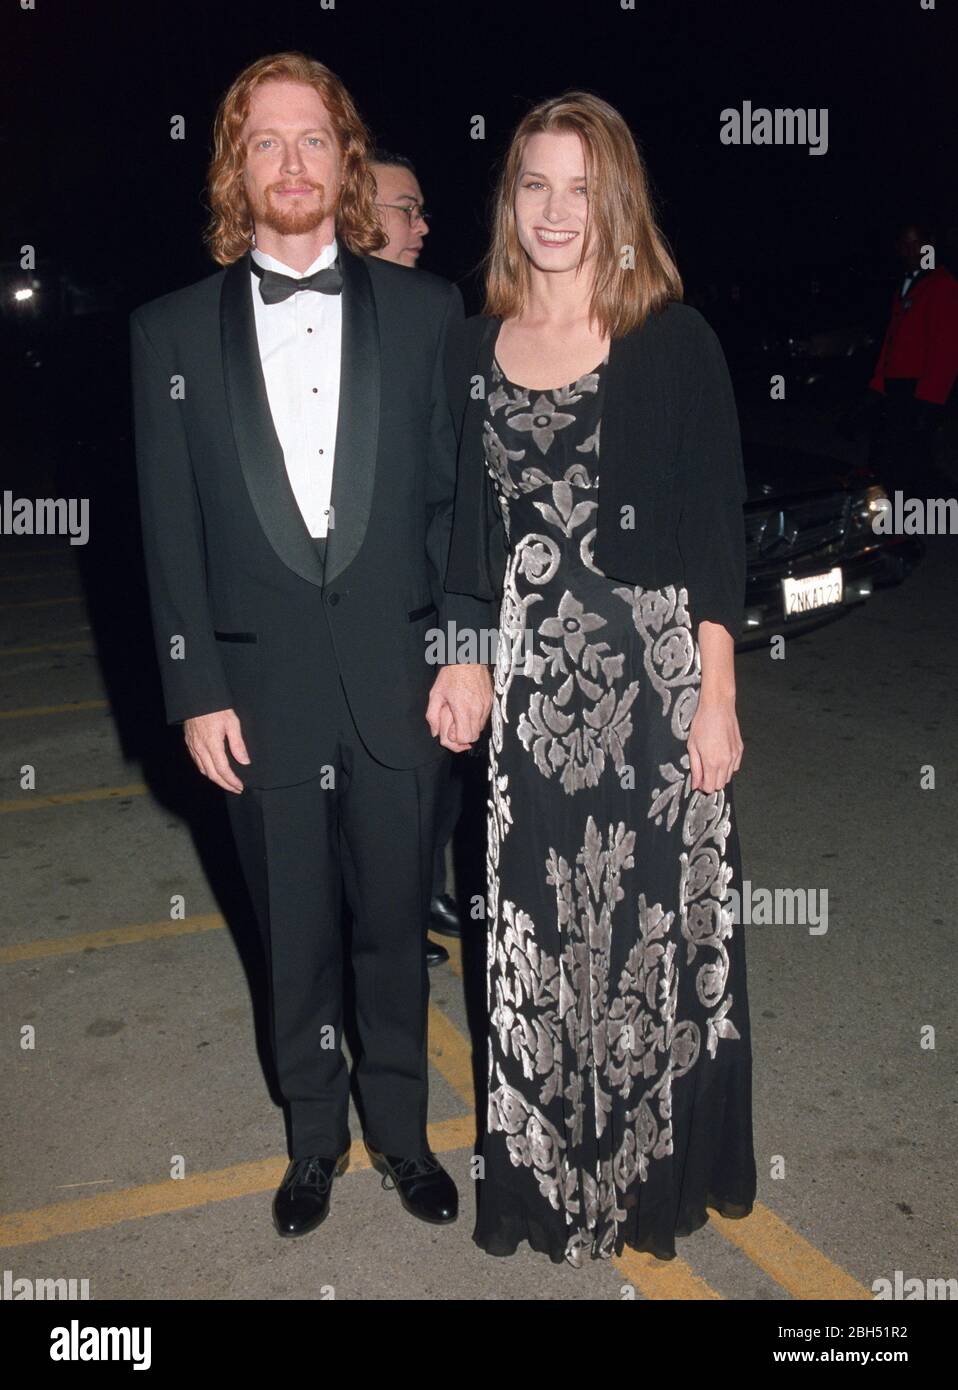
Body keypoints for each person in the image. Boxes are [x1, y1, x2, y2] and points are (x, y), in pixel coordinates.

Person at [129, 51, 492, 1241]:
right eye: (264, 142)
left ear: (344, 160)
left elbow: (465, 506)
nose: (291, 163)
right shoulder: (169, 332)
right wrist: (193, 685)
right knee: (292, 934)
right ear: (237, 166)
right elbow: (165, 530)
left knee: (395, 922)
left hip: (403, 681)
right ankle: (311, 1141)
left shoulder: (428, 309)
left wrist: (467, 649)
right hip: (259, 690)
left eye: (312, 140)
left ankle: (402, 1131)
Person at [442, 91, 757, 1265]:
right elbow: (461, 539)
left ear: (614, 201)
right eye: (535, 184)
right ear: (509, 200)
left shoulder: (673, 340)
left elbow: (713, 531)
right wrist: (463, 663)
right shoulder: (472, 347)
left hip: (658, 692)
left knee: (649, 942)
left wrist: (716, 701)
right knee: (534, 941)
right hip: (531, 704)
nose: (556, 210)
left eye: (580, 187)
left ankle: (644, 1182)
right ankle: (535, 1185)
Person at [368, 147, 465, 961]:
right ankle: (382, 917)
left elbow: (451, 475)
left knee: (440, 767)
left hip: (434, 598)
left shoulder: (435, 310)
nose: (423, 225)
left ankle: (424, 889)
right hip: (356, 611)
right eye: (408, 208)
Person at [866, 220, 958, 493]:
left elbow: (946, 349)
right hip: (896, 387)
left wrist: (929, 402)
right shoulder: (907, 285)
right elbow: (892, 342)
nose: (910, 249)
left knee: (908, 463)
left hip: (917, 389)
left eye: (916, 242)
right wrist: (876, 387)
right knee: (887, 460)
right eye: (905, 243)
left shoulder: (942, 284)